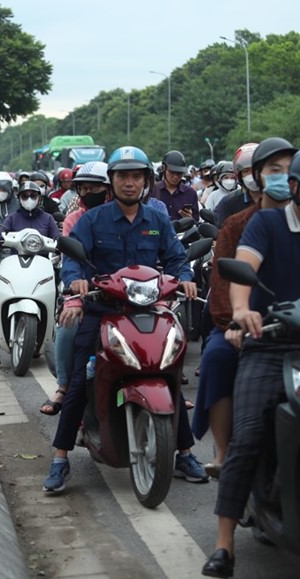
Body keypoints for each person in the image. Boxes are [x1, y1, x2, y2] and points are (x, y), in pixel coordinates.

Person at [43, 146, 206, 493]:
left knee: (169, 371)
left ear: (146, 181)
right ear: (111, 181)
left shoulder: (157, 219)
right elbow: (73, 259)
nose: (129, 184)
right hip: (103, 309)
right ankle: (60, 457)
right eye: (122, 177)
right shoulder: (92, 220)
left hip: (150, 310)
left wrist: (185, 277)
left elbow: (176, 257)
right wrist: (75, 286)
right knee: (79, 376)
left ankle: (185, 451)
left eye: (136, 177)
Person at [203, 146, 300, 579]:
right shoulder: (265, 223)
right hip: (269, 343)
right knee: (246, 438)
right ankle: (225, 544)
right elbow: (243, 269)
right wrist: (242, 310)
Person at [192, 138, 295, 481]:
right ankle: (223, 452)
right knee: (218, 357)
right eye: (272, 170)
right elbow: (224, 283)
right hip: (248, 327)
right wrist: (233, 322)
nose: (281, 178)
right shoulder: (237, 223)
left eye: (287, 170)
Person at [40, 162, 112, 415]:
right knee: (68, 325)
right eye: (84, 188)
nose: (89, 192)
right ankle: (63, 385)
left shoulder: (128, 215)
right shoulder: (74, 218)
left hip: (124, 290)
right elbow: (72, 258)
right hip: (85, 288)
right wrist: (76, 293)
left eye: (96, 187)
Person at [0, 181, 59, 368]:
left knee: (58, 299)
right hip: (16, 266)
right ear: (19, 198)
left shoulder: (47, 218)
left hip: (42, 267)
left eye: (33, 195)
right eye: (25, 196)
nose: (29, 199)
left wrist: (61, 244)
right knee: (3, 299)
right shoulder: (13, 217)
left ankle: (54, 344)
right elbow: (1, 233)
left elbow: (57, 238)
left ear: (39, 198)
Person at [215, 143, 259, 225]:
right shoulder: (228, 203)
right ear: (240, 175)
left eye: (255, 170)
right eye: (246, 171)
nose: (252, 175)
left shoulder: (278, 199)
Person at [153, 150, 199, 221]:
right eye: (172, 172)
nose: (175, 176)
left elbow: (196, 222)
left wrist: (190, 219)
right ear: (164, 168)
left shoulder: (191, 193)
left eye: (179, 173)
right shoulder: (153, 190)